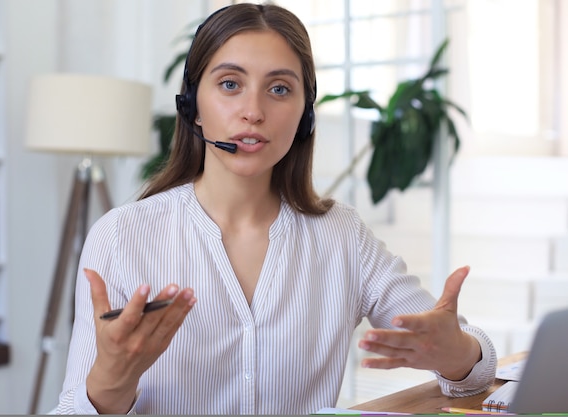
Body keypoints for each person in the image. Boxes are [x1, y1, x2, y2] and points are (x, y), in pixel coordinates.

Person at [55, 3, 497, 415]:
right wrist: (110, 385)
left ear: (304, 115)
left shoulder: (341, 235)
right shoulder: (123, 235)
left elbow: (469, 363)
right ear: (192, 108)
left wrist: (456, 351)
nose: (253, 111)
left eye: (279, 89)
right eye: (230, 84)